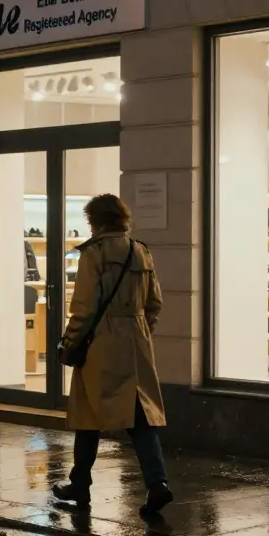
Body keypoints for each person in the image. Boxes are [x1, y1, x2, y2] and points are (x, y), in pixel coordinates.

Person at [52, 194, 172, 514]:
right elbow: (154, 302)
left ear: (97, 220)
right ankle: (157, 483)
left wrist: (71, 340)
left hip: (101, 342)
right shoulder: (140, 250)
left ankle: (80, 485)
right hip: (136, 341)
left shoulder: (94, 253)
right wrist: (141, 328)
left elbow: (85, 307)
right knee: (141, 417)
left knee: (88, 414)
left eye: (90, 221)